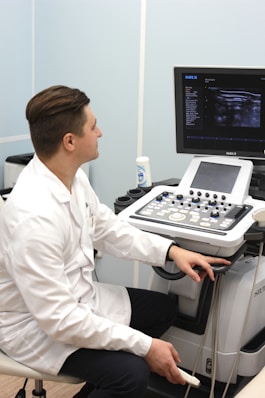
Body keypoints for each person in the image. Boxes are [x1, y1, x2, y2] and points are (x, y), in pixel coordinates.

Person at [0, 85, 230, 398]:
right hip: (35, 326)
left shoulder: (70, 175)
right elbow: (60, 321)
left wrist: (171, 251)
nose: (100, 132)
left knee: (163, 309)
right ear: (70, 141)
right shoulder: (33, 217)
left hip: (78, 300)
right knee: (131, 374)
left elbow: (107, 229)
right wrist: (145, 347)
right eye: (93, 126)